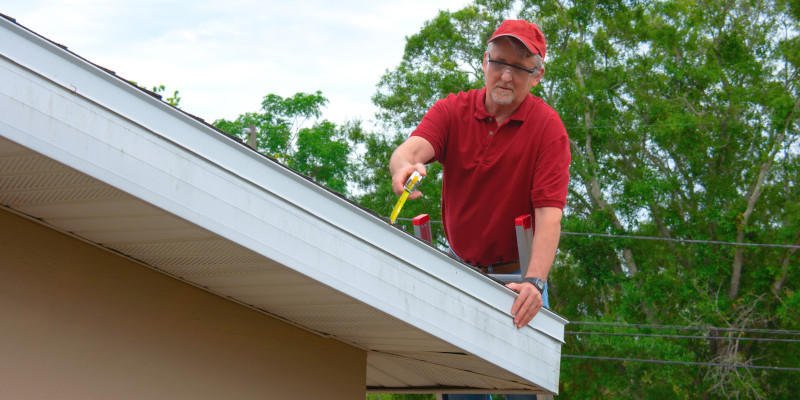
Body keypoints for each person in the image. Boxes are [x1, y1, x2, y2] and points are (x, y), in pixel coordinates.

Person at [389, 16, 569, 388]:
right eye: (499, 62)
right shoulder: (453, 111)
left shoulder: (548, 129)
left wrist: (535, 283)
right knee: (458, 385)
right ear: (485, 63)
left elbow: (549, 214)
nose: (506, 76)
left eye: (519, 67)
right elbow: (411, 150)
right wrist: (404, 166)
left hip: (518, 280)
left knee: (523, 386)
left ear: (537, 75)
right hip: (460, 271)